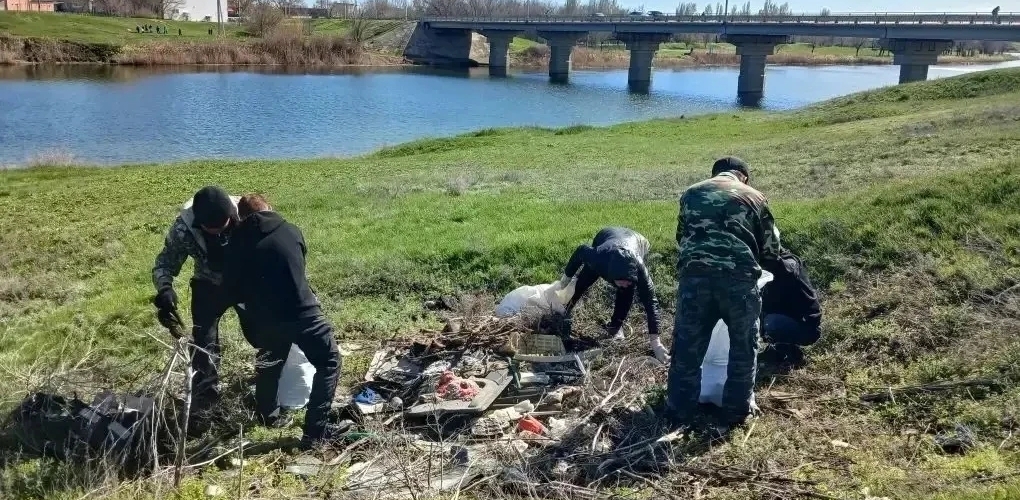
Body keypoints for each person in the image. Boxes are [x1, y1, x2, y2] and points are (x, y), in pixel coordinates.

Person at [666, 157, 781, 429]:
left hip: (694, 281)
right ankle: (736, 413)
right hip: (738, 284)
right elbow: (771, 249)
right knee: (743, 348)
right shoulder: (754, 197)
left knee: (687, 348)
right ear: (744, 177)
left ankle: (679, 411)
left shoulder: (691, 194)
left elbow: (682, 237)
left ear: (714, 174)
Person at [225, 194, 343, 448]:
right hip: (303, 312)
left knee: (270, 365)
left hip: (267, 319)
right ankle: (315, 431)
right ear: (269, 208)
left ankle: (267, 416)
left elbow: (234, 286)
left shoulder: (234, 244)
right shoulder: (290, 231)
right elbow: (299, 269)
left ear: (241, 217)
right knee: (329, 362)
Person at [152, 185, 256, 434]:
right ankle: (206, 405)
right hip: (208, 285)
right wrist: (165, 289)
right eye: (212, 229)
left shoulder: (249, 212)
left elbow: (278, 242)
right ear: (200, 224)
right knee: (203, 345)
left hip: (246, 281)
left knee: (263, 330)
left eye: (223, 226)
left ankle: (270, 376)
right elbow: (164, 262)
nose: (219, 232)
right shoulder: (184, 228)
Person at [557, 227, 668, 362]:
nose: (625, 284)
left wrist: (656, 343)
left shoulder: (639, 268)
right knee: (582, 282)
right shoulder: (598, 257)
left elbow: (651, 303)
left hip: (637, 240)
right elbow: (580, 251)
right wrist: (566, 278)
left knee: (626, 293)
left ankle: (615, 327)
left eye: (629, 281)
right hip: (605, 236)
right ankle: (563, 312)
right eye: (622, 281)